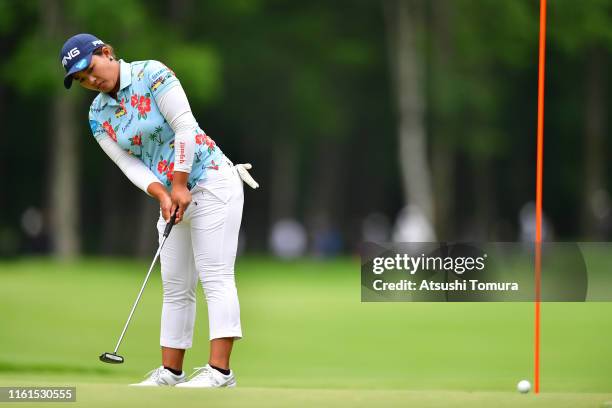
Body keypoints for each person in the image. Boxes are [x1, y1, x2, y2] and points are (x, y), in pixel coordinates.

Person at [60, 33, 259, 388]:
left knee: (215, 275)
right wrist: (163, 194)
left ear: (106, 53)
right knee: (175, 285)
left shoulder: (153, 74)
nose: (90, 81)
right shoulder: (96, 115)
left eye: (90, 69)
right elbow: (129, 165)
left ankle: (219, 372)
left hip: (212, 179)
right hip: (171, 192)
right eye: (81, 79)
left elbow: (185, 127)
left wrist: (179, 184)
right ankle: (170, 373)